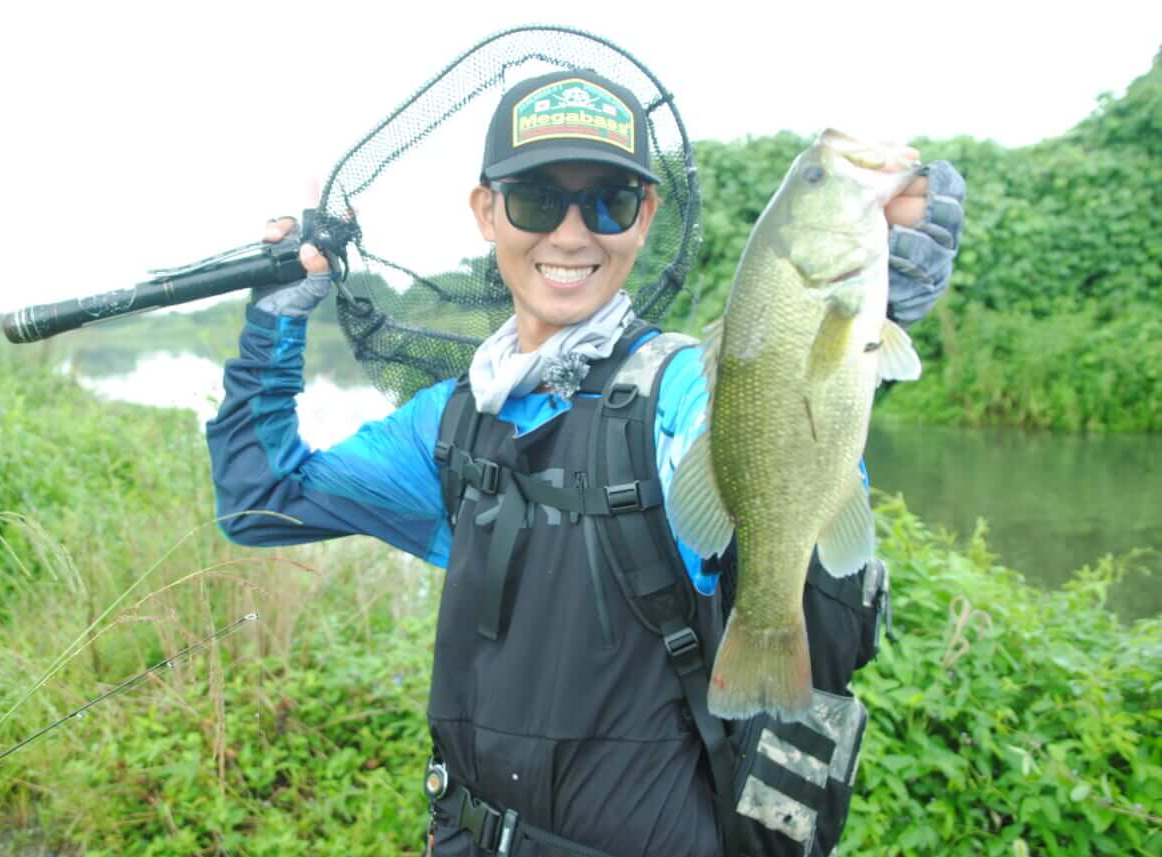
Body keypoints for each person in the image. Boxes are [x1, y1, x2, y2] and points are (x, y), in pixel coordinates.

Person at [206, 68, 965, 857]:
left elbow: (758, 456)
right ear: (486, 212)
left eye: (608, 201)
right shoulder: (452, 423)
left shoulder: (676, 389)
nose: (571, 235)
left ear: (645, 217)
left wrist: (856, 326)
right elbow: (262, 498)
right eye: (537, 198)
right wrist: (274, 320)